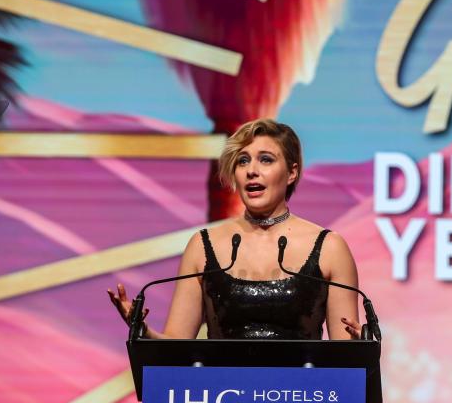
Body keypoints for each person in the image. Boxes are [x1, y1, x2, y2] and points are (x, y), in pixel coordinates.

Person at [107, 118, 363, 341]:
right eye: (242, 161)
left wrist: (361, 347)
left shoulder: (329, 248)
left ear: (291, 173)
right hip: (223, 395)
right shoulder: (203, 245)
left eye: (266, 160)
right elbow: (176, 345)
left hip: (300, 395)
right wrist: (142, 330)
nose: (252, 171)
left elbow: (342, 356)